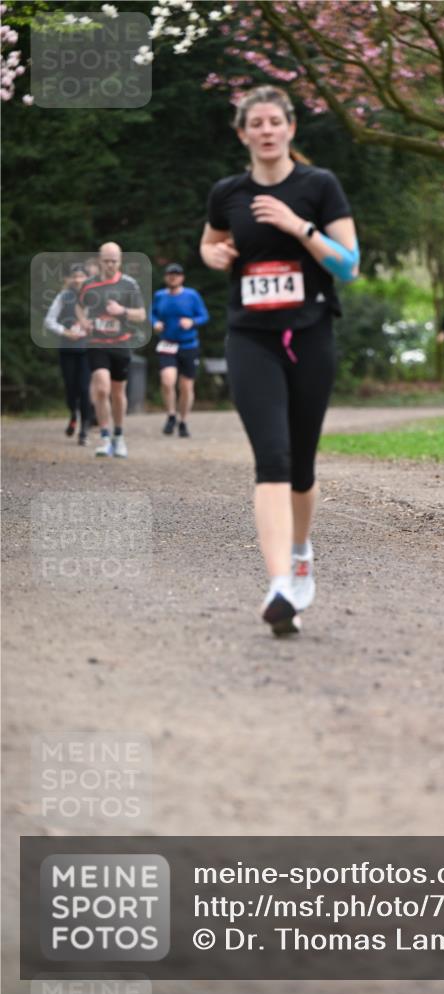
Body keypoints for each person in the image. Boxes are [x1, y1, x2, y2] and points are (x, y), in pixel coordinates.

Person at [200, 85, 359, 636]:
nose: (266, 130)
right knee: (272, 458)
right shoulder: (227, 193)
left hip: (310, 335)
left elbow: (349, 265)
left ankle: (299, 551)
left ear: (291, 128)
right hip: (250, 338)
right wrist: (214, 254)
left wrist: (298, 227)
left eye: (275, 121)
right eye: (256, 123)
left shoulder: (319, 186)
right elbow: (210, 243)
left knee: (301, 467)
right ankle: (280, 585)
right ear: (242, 134)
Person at [76, 242, 146, 458]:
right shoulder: (88, 284)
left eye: (114, 261)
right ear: (100, 260)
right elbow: (79, 306)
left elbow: (141, 314)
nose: (110, 265)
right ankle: (105, 437)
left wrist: (122, 310)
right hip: (97, 343)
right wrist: (83, 321)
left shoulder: (129, 284)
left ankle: (119, 435)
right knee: (102, 388)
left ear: (120, 261)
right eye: (106, 261)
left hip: (121, 344)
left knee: (117, 392)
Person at [151, 263, 209, 438]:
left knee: (186, 386)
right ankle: (171, 415)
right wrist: (155, 323)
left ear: (182, 277)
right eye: (170, 274)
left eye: (176, 274)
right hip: (167, 344)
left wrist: (192, 322)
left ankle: (183, 421)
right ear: (166, 277)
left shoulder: (192, 295)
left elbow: (204, 316)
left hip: (188, 345)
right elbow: (151, 314)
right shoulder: (160, 296)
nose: (173, 277)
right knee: (167, 381)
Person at [44, 263, 91, 445]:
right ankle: (73, 414)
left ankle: (84, 430)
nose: (78, 280)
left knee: (85, 389)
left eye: (82, 276)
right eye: (75, 276)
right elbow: (49, 320)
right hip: (68, 349)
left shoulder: (95, 296)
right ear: (70, 279)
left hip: (88, 350)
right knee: (71, 388)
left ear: (88, 278)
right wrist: (65, 332)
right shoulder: (63, 297)